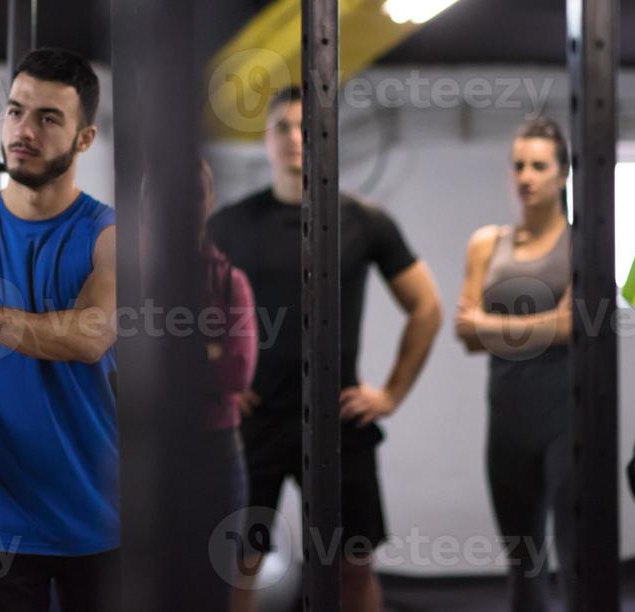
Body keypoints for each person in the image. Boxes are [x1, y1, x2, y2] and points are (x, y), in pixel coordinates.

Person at [207, 86, 442, 612]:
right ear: (266, 141)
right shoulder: (229, 225)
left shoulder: (364, 221)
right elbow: (184, 315)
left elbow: (426, 307)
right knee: (237, 563)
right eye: (281, 128)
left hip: (337, 417)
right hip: (256, 418)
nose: (294, 139)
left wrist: (391, 394)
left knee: (352, 565)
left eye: (305, 128)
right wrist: (219, 380)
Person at [0, 48, 119, 611]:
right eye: (17, 111)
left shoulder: (109, 235)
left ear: (85, 138)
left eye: (49, 118)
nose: (25, 131)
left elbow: (93, 333)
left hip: (95, 515)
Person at [454, 117, 575, 612]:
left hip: (568, 417)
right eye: (518, 165)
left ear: (563, 174)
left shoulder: (583, 242)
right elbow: (465, 333)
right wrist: (542, 326)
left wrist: (492, 326)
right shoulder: (488, 242)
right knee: (522, 565)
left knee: (576, 555)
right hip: (507, 419)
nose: (526, 176)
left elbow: (574, 327)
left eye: (539, 166)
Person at [198, 158, 259, 596]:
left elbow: (237, 371)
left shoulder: (228, 281)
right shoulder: (119, 275)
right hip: (135, 449)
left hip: (214, 452)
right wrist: (207, 346)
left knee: (213, 589)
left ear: (209, 203)